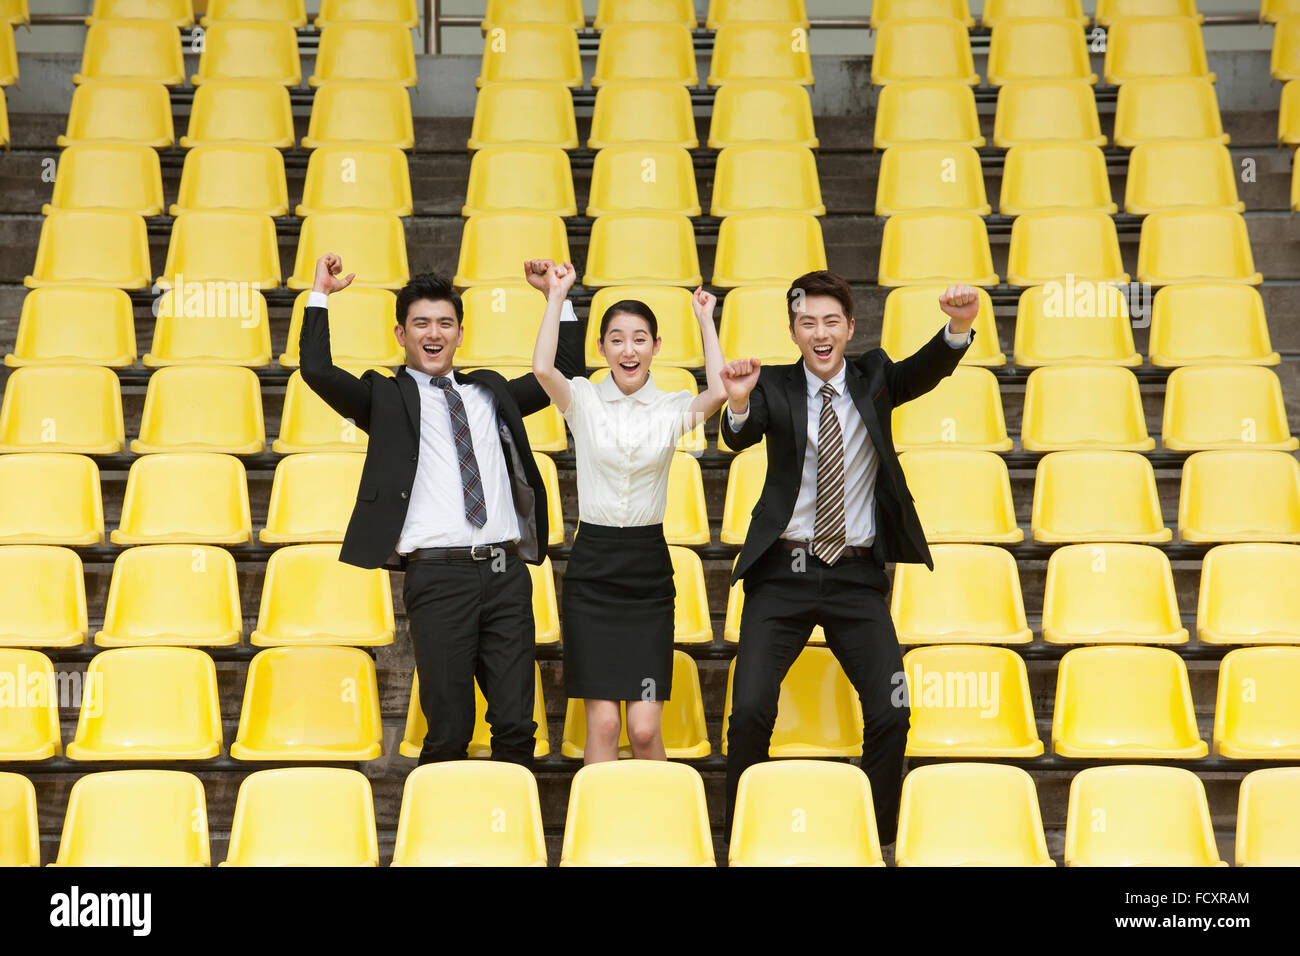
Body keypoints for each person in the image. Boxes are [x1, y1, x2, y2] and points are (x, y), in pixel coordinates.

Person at [718, 269, 979, 846]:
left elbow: (925, 370)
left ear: (850, 327)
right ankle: (741, 835)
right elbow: (742, 432)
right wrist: (737, 404)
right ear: (794, 331)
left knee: (891, 710)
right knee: (750, 712)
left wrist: (958, 326)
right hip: (783, 576)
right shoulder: (774, 385)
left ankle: (877, 836)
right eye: (807, 322)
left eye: (830, 321)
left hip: (856, 577)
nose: (820, 331)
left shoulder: (875, 377)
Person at [298, 253, 586, 768]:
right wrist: (319, 294)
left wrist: (556, 298)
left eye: (445, 323)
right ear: (401, 334)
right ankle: (443, 838)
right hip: (437, 575)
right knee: (449, 728)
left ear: (459, 333)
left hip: (505, 572)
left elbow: (564, 372)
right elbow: (316, 370)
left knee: (517, 725)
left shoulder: (489, 391)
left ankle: (509, 839)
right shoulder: (384, 399)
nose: (434, 333)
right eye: (421, 324)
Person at [531, 263, 730, 763]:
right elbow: (541, 369)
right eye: (616, 339)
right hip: (593, 567)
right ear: (602, 348)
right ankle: (599, 835)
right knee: (602, 722)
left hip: (646, 572)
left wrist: (706, 319)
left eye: (639, 339)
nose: (628, 350)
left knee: (642, 729)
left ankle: (656, 831)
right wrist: (555, 296)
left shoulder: (672, 408)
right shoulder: (583, 401)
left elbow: (722, 392)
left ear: (656, 347)